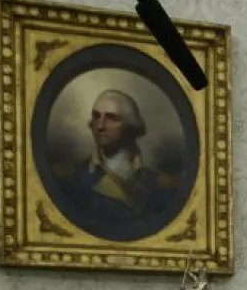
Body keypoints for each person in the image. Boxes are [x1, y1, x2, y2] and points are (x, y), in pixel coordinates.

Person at [56, 89, 179, 237]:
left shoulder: (163, 184)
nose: (100, 126)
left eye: (111, 118)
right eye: (96, 116)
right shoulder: (70, 178)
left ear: (130, 126)